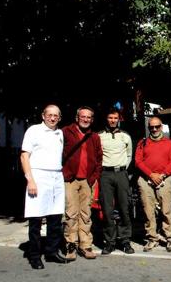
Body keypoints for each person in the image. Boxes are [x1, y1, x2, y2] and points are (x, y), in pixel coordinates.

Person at [21, 105, 68, 269]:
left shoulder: (60, 133)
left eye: (56, 116)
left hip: (56, 176)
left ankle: (51, 252)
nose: (53, 118)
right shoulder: (33, 131)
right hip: (38, 176)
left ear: (59, 118)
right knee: (36, 218)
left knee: (55, 217)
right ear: (43, 115)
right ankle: (34, 256)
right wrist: (30, 180)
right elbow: (24, 156)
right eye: (50, 115)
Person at [62, 106, 102, 260]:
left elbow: (99, 159)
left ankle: (85, 245)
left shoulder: (94, 136)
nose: (86, 119)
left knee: (86, 214)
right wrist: (64, 173)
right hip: (70, 180)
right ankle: (70, 244)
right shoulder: (66, 132)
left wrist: (94, 177)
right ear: (77, 117)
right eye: (83, 116)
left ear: (91, 119)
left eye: (89, 117)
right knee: (71, 213)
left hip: (87, 180)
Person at [135, 116, 171, 252]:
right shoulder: (142, 143)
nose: (154, 129)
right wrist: (151, 174)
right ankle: (152, 238)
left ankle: (169, 237)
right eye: (151, 127)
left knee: (166, 209)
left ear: (161, 127)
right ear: (148, 128)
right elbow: (138, 161)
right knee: (148, 210)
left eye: (157, 126)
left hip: (164, 178)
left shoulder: (169, 143)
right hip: (146, 179)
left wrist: (162, 175)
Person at [98, 108, 134, 255]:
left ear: (119, 119)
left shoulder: (125, 136)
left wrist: (123, 167)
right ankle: (110, 242)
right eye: (110, 117)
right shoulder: (99, 136)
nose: (113, 120)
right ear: (106, 119)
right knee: (107, 209)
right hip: (105, 174)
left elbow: (129, 154)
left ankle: (125, 240)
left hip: (121, 173)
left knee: (124, 207)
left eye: (115, 118)